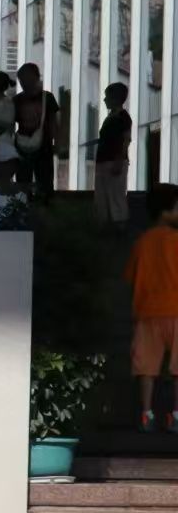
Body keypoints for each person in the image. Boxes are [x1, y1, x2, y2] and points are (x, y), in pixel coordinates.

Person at [126, 183, 178, 432]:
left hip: (147, 312)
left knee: (146, 367)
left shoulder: (142, 242)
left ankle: (146, 413)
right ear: (166, 211)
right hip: (176, 310)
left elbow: (131, 276)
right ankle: (175, 415)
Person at [13, 63, 60, 198]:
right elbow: (54, 122)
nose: (24, 83)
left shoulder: (18, 100)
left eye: (26, 79)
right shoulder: (46, 98)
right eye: (22, 80)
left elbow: (53, 122)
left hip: (29, 146)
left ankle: (29, 204)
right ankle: (40, 203)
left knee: (31, 182)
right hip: (40, 145)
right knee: (38, 182)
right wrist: (57, 142)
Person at [95, 81, 131, 230]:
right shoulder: (113, 117)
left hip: (113, 160)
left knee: (116, 194)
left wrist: (119, 159)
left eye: (107, 97)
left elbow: (126, 139)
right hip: (104, 160)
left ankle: (119, 225)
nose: (105, 100)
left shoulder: (122, 117)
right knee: (103, 194)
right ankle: (108, 224)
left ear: (115, 98)